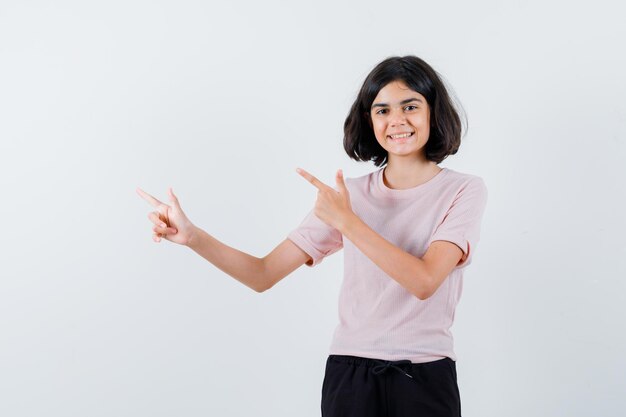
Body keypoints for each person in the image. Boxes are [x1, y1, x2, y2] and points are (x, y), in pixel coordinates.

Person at [137, 55, 488, 417]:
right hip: (350, 374)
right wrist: (194, 237)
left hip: (425, 376)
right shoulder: (348, 196)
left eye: (410, 106)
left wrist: (347, 222)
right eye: (382, 111)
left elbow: (425, 280)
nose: (396, 121)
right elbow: (263, 273)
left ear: (434, 112)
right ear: (369, 121)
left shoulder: (463, 191)